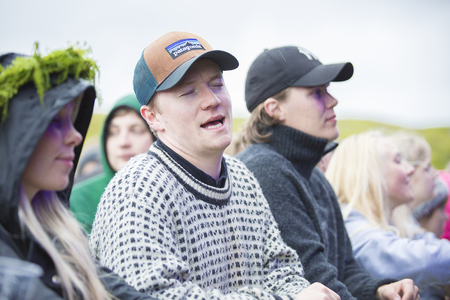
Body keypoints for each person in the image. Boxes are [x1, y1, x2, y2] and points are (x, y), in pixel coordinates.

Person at [89, 31, 341, 300]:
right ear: (153, 118)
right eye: (188, 91)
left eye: (217, 84)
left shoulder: (242, 177)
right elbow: (155, 295)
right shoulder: (138, 189)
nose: (212, 99)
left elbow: (280, 269)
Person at [235, 46, 419, 300]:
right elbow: (314, 280)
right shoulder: (265, 170)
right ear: (274, 108)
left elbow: (344, 268)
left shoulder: (313, 175)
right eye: (317, 93)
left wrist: (378, 290)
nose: (333, 100)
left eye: (328, 90)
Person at [0, 46, 156, 299]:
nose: (75, 136)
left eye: (72, 121)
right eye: (54, 122)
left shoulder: (59, 232)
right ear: (14, 133)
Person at [325, 130, 450, 300]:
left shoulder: (396, 219)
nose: (409, 169)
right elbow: (424, 262)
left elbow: (432, 249)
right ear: (370, 172)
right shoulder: (353, 227)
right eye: (398, 161)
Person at [70, 94, 155, 233]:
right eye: (113, 132)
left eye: (136, 130)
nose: (123, 142)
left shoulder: (174, 192)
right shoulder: (78, 199)